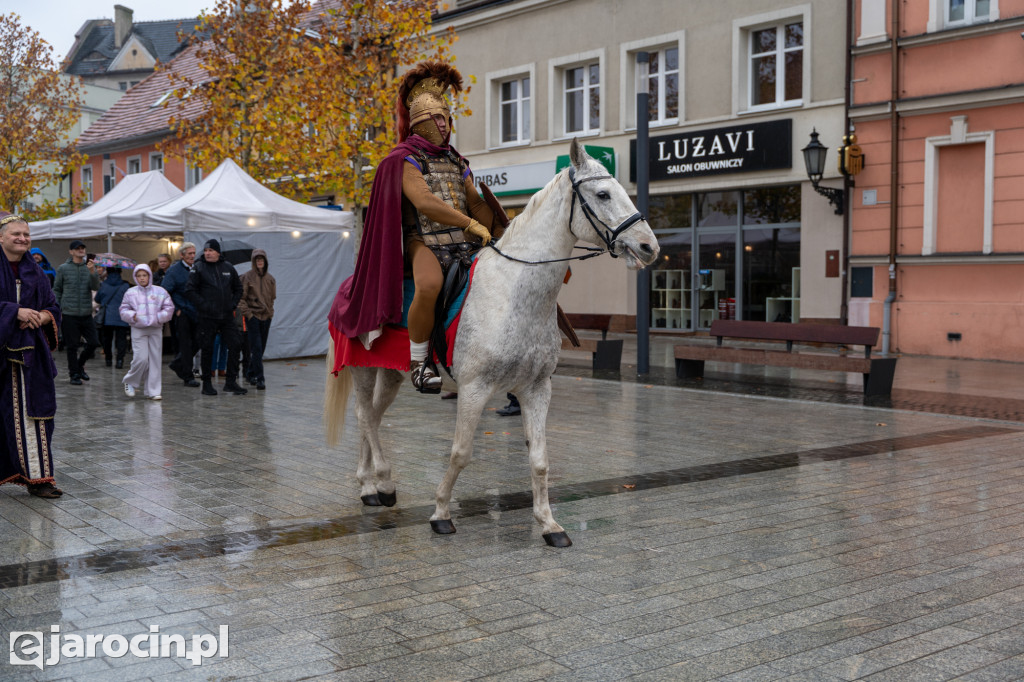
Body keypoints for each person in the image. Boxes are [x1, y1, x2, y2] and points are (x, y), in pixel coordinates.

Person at [328, 61, 496, 392]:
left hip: (462, 241)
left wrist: (492, 226)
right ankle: (420, 362)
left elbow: (475, 202)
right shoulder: (404, 159)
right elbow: (425, 201)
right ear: (419, 122)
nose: (443, 125)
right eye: (436, 119)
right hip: (421, 240)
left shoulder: (456, 161)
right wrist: (470, 223)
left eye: (446, 118)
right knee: (430, 284)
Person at [0, 213, 63, 499]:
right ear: (1, 237)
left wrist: (43, 316)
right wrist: (15, 312)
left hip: (29, 358)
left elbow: (52, 306)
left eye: (26, 234)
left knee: (34, 415)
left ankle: (39, 479)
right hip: (2, 353)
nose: (22, 239)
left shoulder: (36, 271)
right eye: (16, 234)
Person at [186, 238, 247, 396]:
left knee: (235, 344)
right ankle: (207, 383)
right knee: (207, 348)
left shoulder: (228, 267)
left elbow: (238, 288)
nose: (207, 253)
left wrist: (232, 304)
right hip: (207, 316)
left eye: (211, 250)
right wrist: (204, 306)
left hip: (226, 316)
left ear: (218, 252)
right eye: (206, 250)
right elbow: (190, 290)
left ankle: (231, 381)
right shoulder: (198, 267)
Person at [120, 264, 174, 400]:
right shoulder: (130, 292)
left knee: (155, 359)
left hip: (155, 328)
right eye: (139, 276)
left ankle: (153, 391)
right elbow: (123, 309)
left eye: (144, 275)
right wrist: (133, 316)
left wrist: (159, 318)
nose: (142, 278)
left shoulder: (160, 291)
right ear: (135, 277)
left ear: (149, 275)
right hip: (138, 329)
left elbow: (169, 307)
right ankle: (130, 380)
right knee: (141, 358)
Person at [52, 239, 100, 385]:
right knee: (72, 346)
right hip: (69, 313)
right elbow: (57, 289)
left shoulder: (90, 268)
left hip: (86, 312)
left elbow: (95, 287)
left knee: (93, 343)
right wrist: (57, 307)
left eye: (82, 248)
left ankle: (79, 366)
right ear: (71, 251)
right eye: (77, 248)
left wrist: (92, 272)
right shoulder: (63, 268)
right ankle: (74, 374)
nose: (81, 250)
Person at [162, 242, 200, 387]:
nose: (192, 256)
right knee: (186, 344)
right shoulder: (174, 271)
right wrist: (176, 308)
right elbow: (165, 291)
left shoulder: (197, 268)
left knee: (198, 341)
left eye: (193, 253)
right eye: (189, 253)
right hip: (183, 312)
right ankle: (188, 376)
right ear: (182, 255)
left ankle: (177, 364)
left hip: (196, 311)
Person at [238, 249, 276, 390]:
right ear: (253, 261)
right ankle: (260, 378)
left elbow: (272, 298)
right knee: (257, 347)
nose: (260, 262)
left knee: (261, 347)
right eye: (257, 259)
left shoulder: (270, 279)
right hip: (253, 316)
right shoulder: (247, 277)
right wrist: (249, 315)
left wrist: (270, 313)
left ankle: (250, 373)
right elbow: (241, 298)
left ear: (265, 261)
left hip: (266, 317)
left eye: (262, 259)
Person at [94, 267, 131, 368]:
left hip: (107, 317)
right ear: (120, 272)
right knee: (121, 339)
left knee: (107, 339)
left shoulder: (103, 285)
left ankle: (108, 359)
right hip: (122, 316)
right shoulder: (125, 285)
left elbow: (97, 299)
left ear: (107, 272)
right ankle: (120, 360)